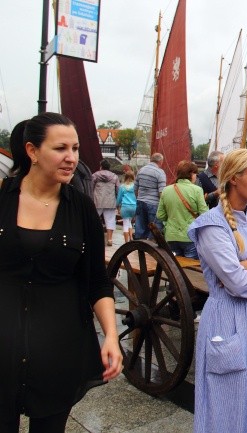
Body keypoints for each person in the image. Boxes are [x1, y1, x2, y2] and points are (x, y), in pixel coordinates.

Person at [0, 113, 122, 433]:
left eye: (76, 148)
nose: (72, 158)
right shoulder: (2, 199)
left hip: (59, 347)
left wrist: (110, 334)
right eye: (60, 148)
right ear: (32, 151)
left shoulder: (81, 207)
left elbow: (97, 279)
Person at [187, 148, 247, 433]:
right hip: (229, 321)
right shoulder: (211, 227)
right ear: (233, 179)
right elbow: (236, 282)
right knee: (228, 399)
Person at [156, 161, 208, 259]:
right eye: (195, 174)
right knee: (190, 269)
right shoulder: (197, 190)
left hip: (171, 236)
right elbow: (204, 214)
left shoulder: (166, 190)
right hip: (190, 235)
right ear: (191, 174)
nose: (196, 177)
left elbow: (160, 215)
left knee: (175, 267)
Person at [134, 153, 166, 240]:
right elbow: (161, 192)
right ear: (160, 161)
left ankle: (139, 249)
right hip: (153, 204)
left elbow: (135, 188)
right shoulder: (160, 172)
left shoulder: (141, 170)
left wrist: (139, 198)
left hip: (140, 201)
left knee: (140, 228)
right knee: (154, 229)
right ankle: (150, 249)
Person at [92, 159, 120, 246]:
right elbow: (118, 190)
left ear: (101, 166)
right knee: (110, 220)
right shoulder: (115, 177)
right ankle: (110, 239)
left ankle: (93, 237)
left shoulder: (95, 175)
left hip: (97, 201)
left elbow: (90, 187)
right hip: (110, 201)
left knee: (94, 220)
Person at [117, 171, 137, 243]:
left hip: (125, 207)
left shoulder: (122, 187)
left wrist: (118, 206)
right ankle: (131, 237)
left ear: (125, 177)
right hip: (134, 207)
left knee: (125, 224)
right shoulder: (135, 186)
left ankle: (126, 242)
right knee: (129, 222)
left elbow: (119, 199)